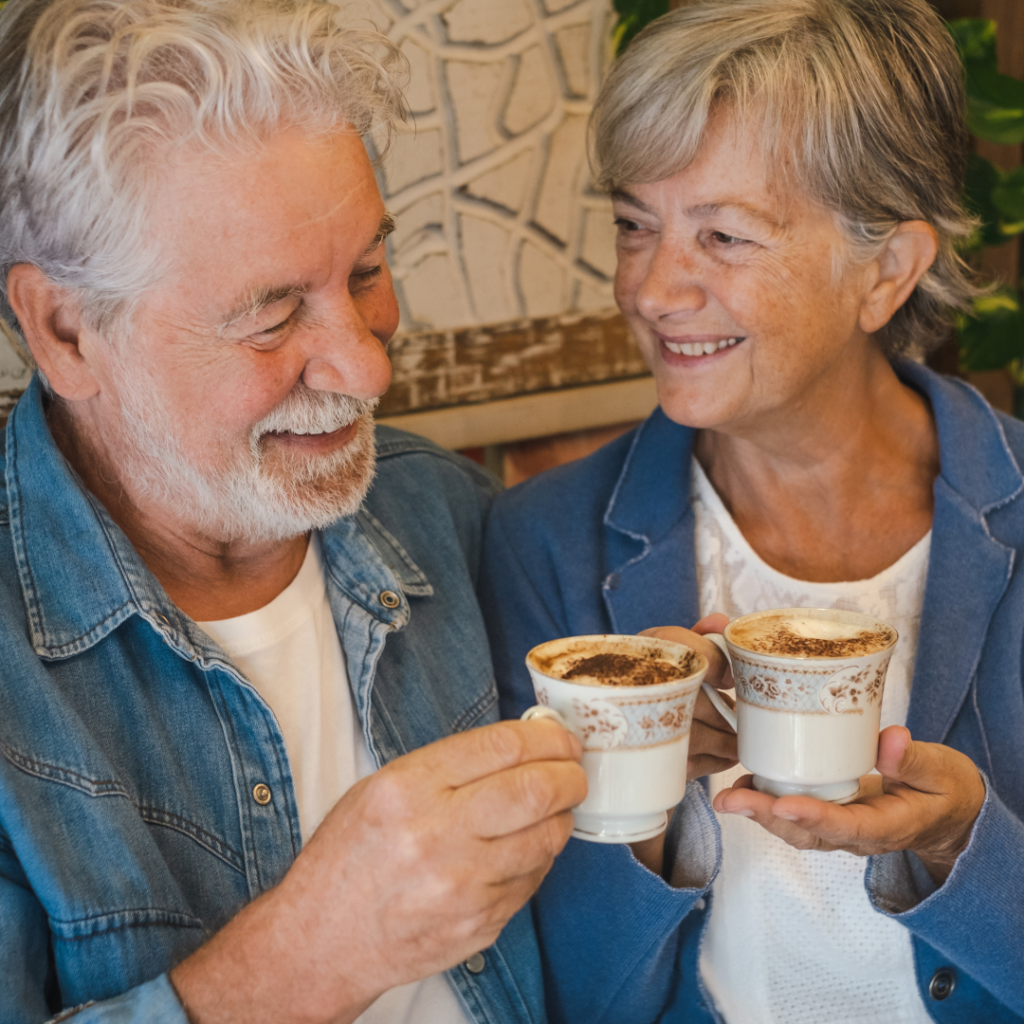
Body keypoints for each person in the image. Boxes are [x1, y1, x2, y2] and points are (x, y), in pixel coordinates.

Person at [0, 1, 590, 1021]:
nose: (368, 363)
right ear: (64, 332)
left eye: (367, 271)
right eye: (271, 317)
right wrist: (316, 953)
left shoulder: (446, 511)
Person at [479, 1, 1024, 1021]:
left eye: (722, 236)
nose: (651, 287)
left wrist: (960, 846)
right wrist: (640, 816)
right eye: (634, 224)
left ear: (885, 269)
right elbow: (563, 996)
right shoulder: (543, 543)